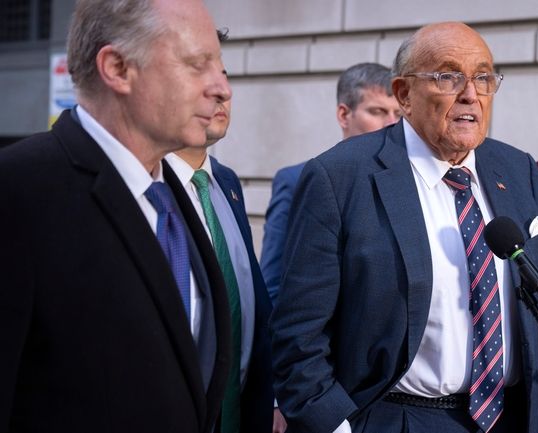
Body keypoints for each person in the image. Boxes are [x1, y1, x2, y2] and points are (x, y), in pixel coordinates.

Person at [269, 22, 538, 433]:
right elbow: (298, 335)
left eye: (483, 78)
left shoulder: (514, 168)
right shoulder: (342, 177)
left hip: (508, 416)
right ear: (403, 94)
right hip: (397, 417)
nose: (470, 94)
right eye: (447, 77)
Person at [0, 1, 233, 432]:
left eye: (220, 67)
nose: (222, 88)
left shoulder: (175, 197)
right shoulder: (18, 192)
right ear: (118, 67)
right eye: (198, 65)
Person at [165, 29, 276, 433]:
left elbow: (251, 302)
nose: (222, 92)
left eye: (226, 76)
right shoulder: (147, 191)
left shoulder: (226, 184)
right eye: (199, 76)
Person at [260, 62, 401, 303]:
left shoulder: (407, 183)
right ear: (344, 115)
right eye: (377, 111)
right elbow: (273, 285)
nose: (391, 123)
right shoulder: (297, 180)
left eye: (397, 114)